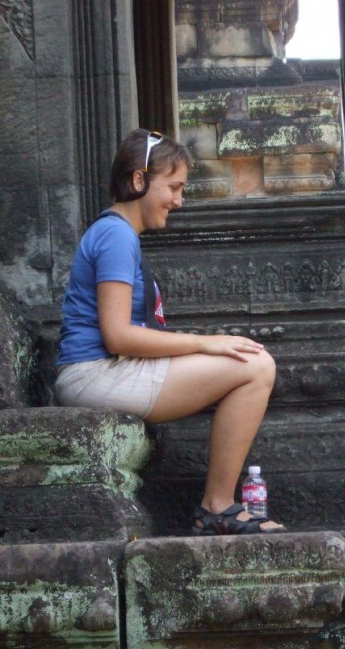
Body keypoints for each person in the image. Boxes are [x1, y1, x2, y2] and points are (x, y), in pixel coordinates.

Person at [55, 128, 284, 536]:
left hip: (105, 371)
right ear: (139, 180)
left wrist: (204, 347)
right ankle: (217, 506)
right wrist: (204, 342)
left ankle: (218, 505)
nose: (179, 200)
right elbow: (119, 336)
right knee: (256, 366)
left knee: (245, 360)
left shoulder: (119, 235)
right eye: (174, 187)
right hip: (94, 374)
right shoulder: (115, 235)